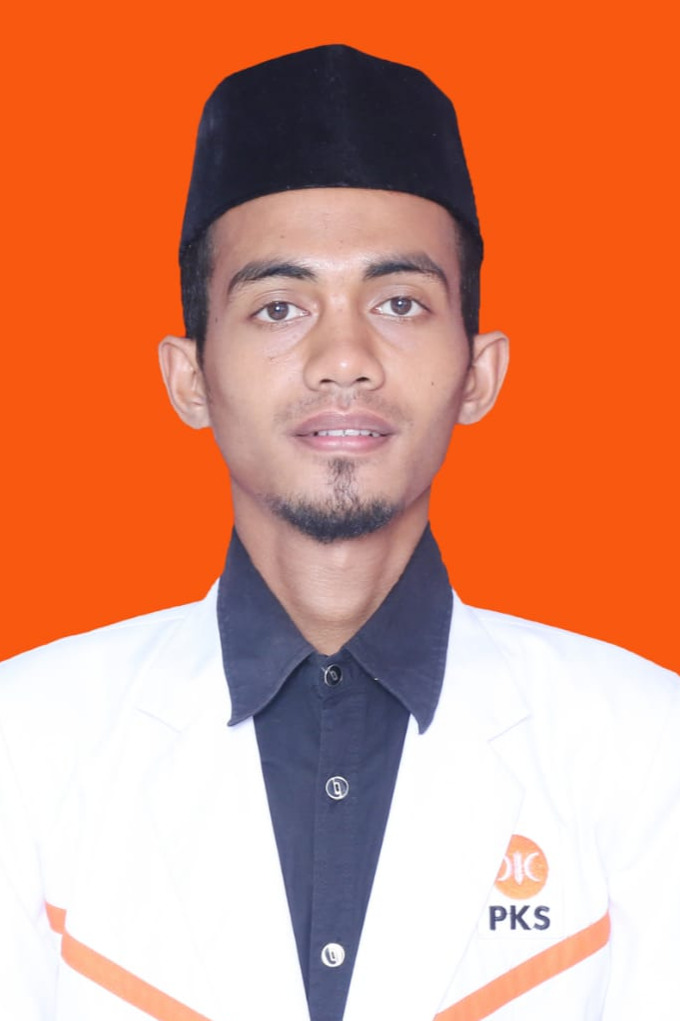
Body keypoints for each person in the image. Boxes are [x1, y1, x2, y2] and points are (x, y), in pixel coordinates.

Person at [0, 44, 678, 1021]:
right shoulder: (26, 741)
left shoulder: (644, 748)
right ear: (188, 378)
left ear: (478, 371)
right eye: (279, 306)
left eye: (399, 302)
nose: (344, 358)